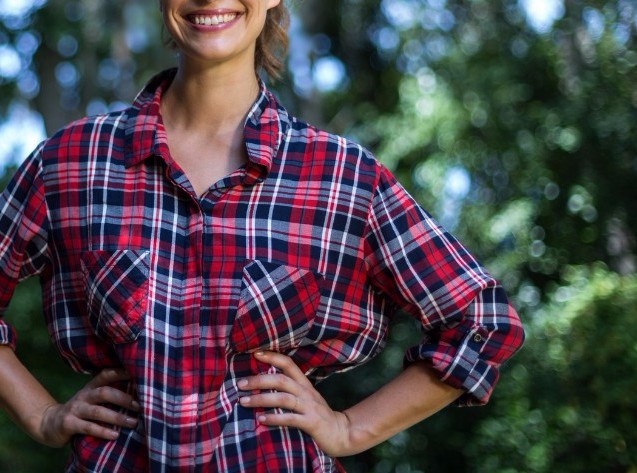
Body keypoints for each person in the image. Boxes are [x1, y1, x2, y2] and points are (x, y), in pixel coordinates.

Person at [0, 1, 524, 471]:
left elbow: (482, 322)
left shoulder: (341, 177)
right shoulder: (71, 162)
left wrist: (350, 428)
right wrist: (43, 416)